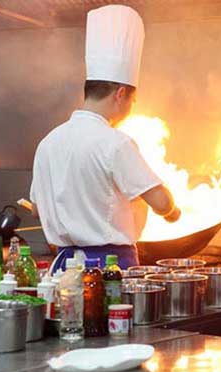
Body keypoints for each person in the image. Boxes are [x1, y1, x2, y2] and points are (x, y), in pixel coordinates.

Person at [30, 5, 180, 270]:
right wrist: (171, 211)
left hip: (63, 268)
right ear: (120, 93)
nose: (131, 107)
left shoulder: (48, 142)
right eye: (133, 100)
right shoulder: (115, 143)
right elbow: (160, 200)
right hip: (109, 269)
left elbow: (36, 209)